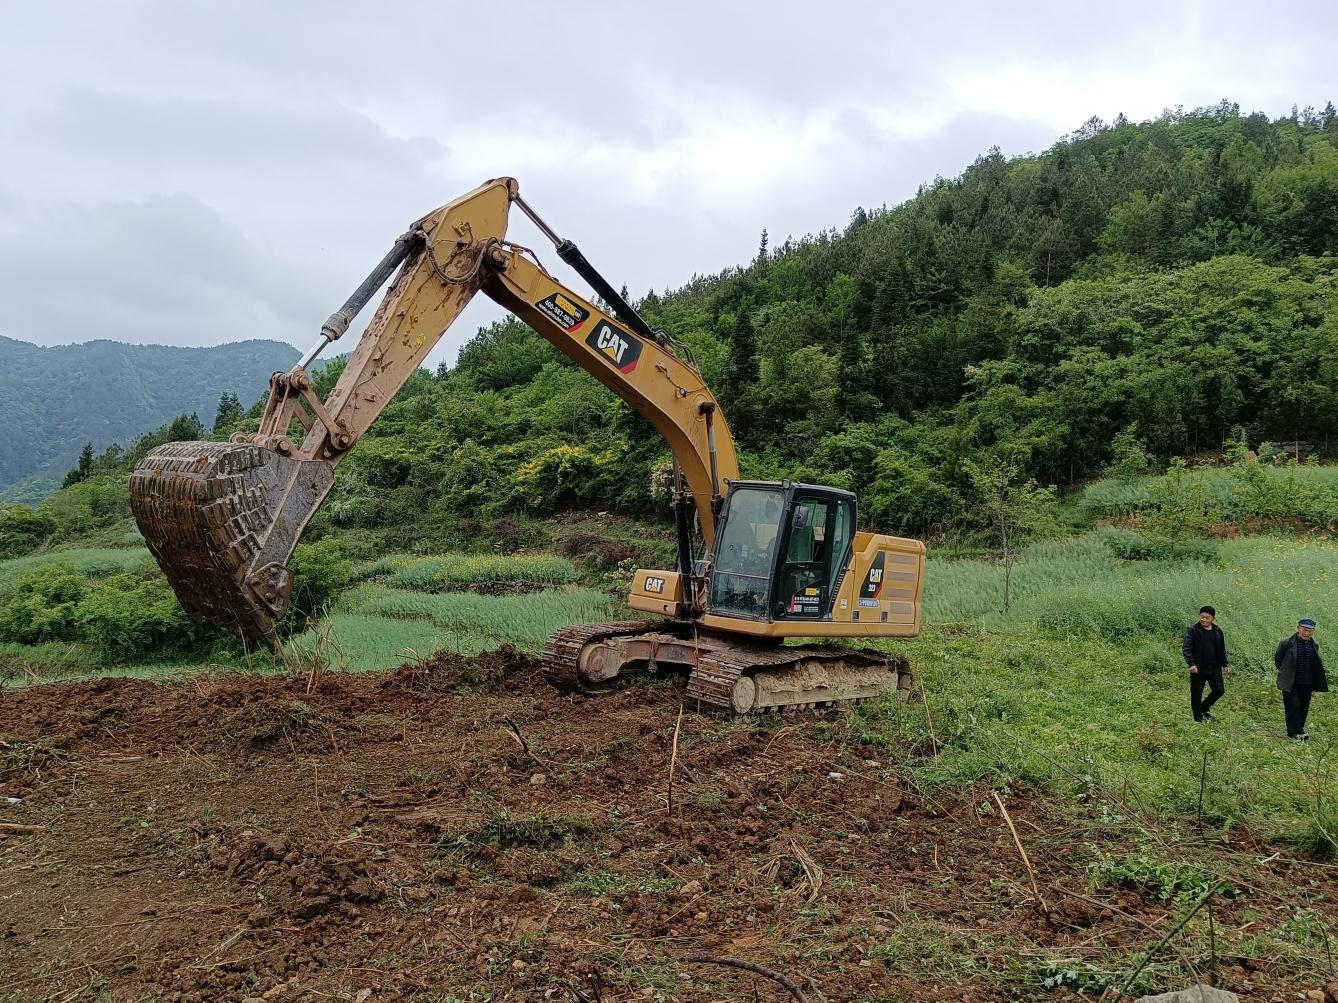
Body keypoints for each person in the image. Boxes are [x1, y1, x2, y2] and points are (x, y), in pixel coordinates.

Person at [1275, 618, 1327, 741]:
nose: (1306, 633)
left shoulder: (1314, 644)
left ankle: (1299, 728)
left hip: (1307, 681)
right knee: (1293, 705)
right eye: (1304, 630)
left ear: (1313, 631)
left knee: (1303, 705)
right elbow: (1278, 660)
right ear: (1298, 628)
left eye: (1310, 631)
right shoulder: (1286, 642)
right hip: (1291, 681)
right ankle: (1295, 731)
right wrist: (1285, 673)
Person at [1182, 605, 1230, 722]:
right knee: (1196, 694)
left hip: (1214, 667)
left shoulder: (1217, 631)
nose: (1204, 620)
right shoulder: (1193, 630)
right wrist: (1191, 663)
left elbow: (1221, 649)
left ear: (1213, 618)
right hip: (1198, 668)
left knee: (1219, 690)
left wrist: (1225, 664)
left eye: (1207, 618)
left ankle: (1204, 707)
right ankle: (1198, 718)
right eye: (1202, 617)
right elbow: (1187, 648)